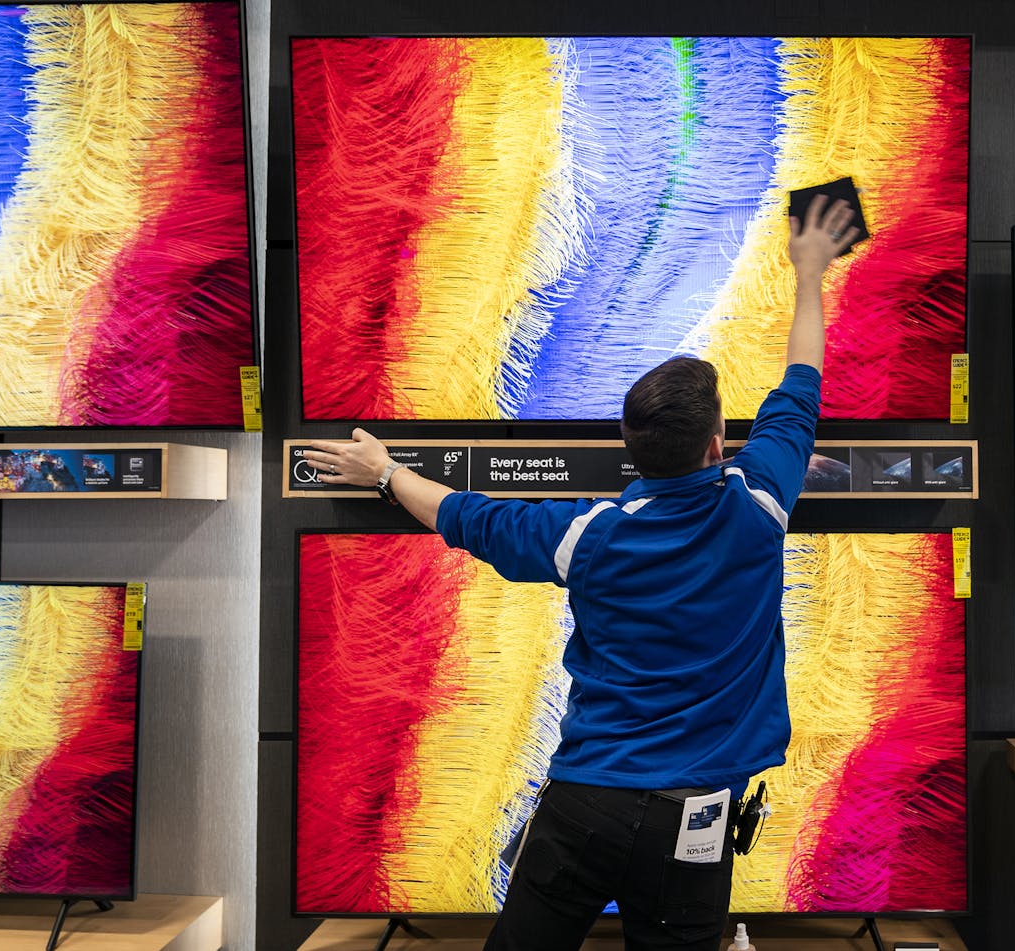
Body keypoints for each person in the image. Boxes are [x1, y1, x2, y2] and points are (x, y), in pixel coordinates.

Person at [305, 194, 857, 951]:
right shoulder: (760, 498)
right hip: (691, 823)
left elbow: (468, 516)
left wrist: (384, 471)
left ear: (631, 447)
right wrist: (808, 271)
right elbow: (801, 378)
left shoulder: (587, 536)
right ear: (718, 440)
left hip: (586, 805)